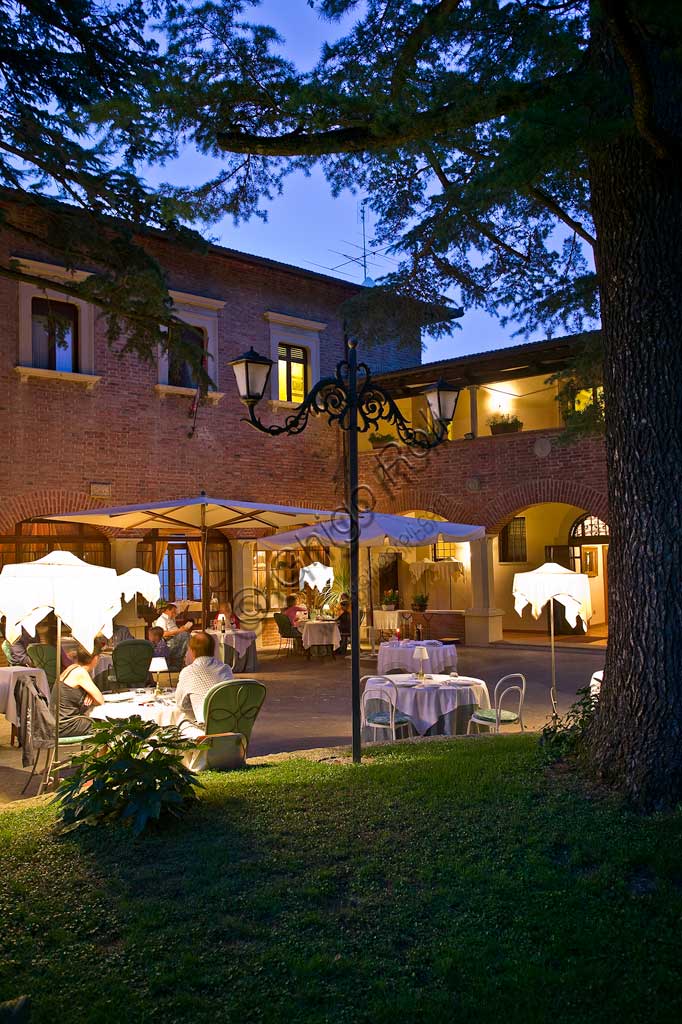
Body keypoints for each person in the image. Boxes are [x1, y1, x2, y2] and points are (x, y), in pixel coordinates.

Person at [174, 630, 233, 724]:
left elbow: (181, 705)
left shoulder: (188, 672)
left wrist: (196, 705)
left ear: (192, 651)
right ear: (213, 649)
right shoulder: (226, 669)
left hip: (205, 728)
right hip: (230, 723)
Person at [52, 646, 104, 736]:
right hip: (65, 725)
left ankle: (94, 750)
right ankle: (99, 750)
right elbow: (100, 700)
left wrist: (89, 694)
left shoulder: (72, 668)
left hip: (54, 723)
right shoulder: (80, 673)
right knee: (106, 726)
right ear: (95, 658)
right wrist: (91, 695)